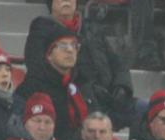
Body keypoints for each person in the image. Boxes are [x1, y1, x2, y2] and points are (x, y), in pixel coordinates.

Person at [36, 0, 137, 132]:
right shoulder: (45, 33)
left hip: (112, 96)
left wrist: (122, 86)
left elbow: (118, 62)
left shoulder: (92, 30)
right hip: (83, 99)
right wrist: (90, 89)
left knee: (147, 111)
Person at [15, 16, 97, 140]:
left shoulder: (81, 85)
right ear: (49, 55)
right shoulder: (32, 87)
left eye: (74, 45)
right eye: (63, 45)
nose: (70, 50)